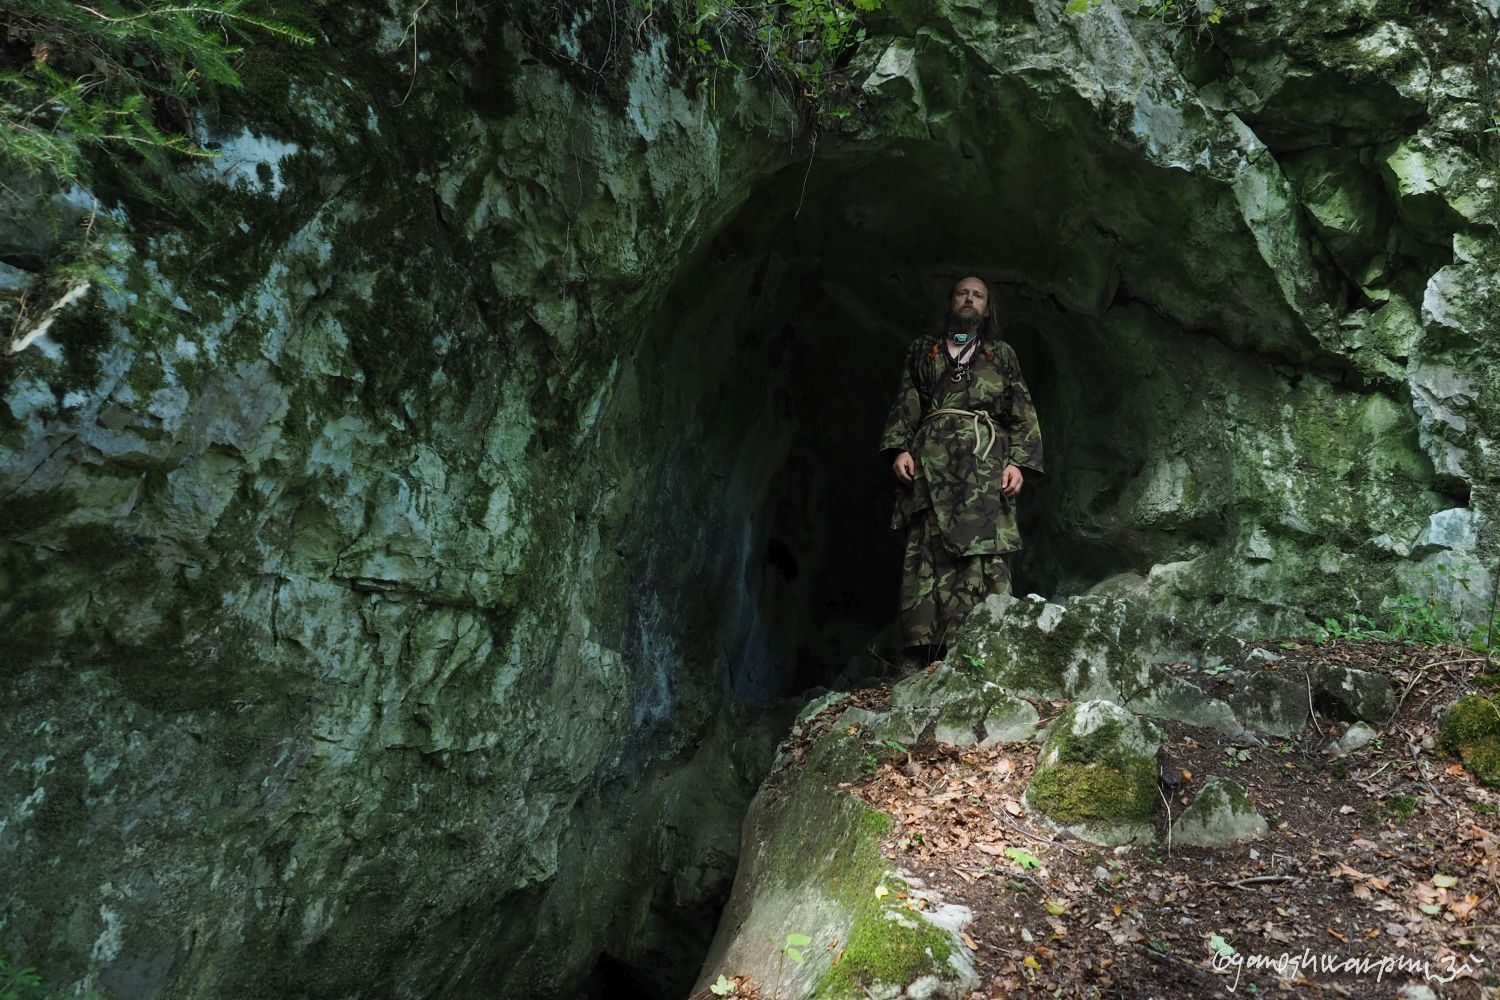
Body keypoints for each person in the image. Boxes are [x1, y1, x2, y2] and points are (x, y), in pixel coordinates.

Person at [880, 275, 1044, 668]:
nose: (969, 299)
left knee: (984, 549)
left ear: (987, 309)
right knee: (927, 544)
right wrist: (900, 448)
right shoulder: (925, 351)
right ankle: (922, 652)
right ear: (950, 301)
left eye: (978, 295)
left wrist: (1018, 463)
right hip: (931, 465)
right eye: (962, 293)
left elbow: (1022, 411)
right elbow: (907, 400)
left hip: (983, 467)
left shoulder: (1000, 355)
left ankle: (985, 644)